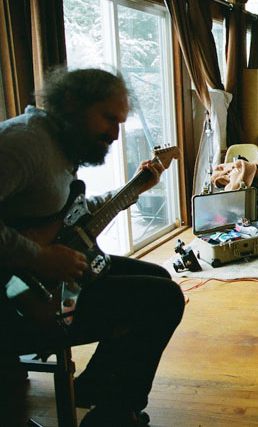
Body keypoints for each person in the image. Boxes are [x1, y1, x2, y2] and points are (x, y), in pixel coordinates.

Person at [0, 68, 185, 426]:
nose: (115, 134)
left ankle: (96, 388)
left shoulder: (58, 146)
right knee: (161, 300)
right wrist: (38, 257)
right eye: (108, 118)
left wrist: (136, 189)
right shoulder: (23, 144)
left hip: (41, 282)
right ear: (71, 103)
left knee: (158, 278)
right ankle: (114, 414)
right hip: (17, 302)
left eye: (120, 122)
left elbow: (73, 215)